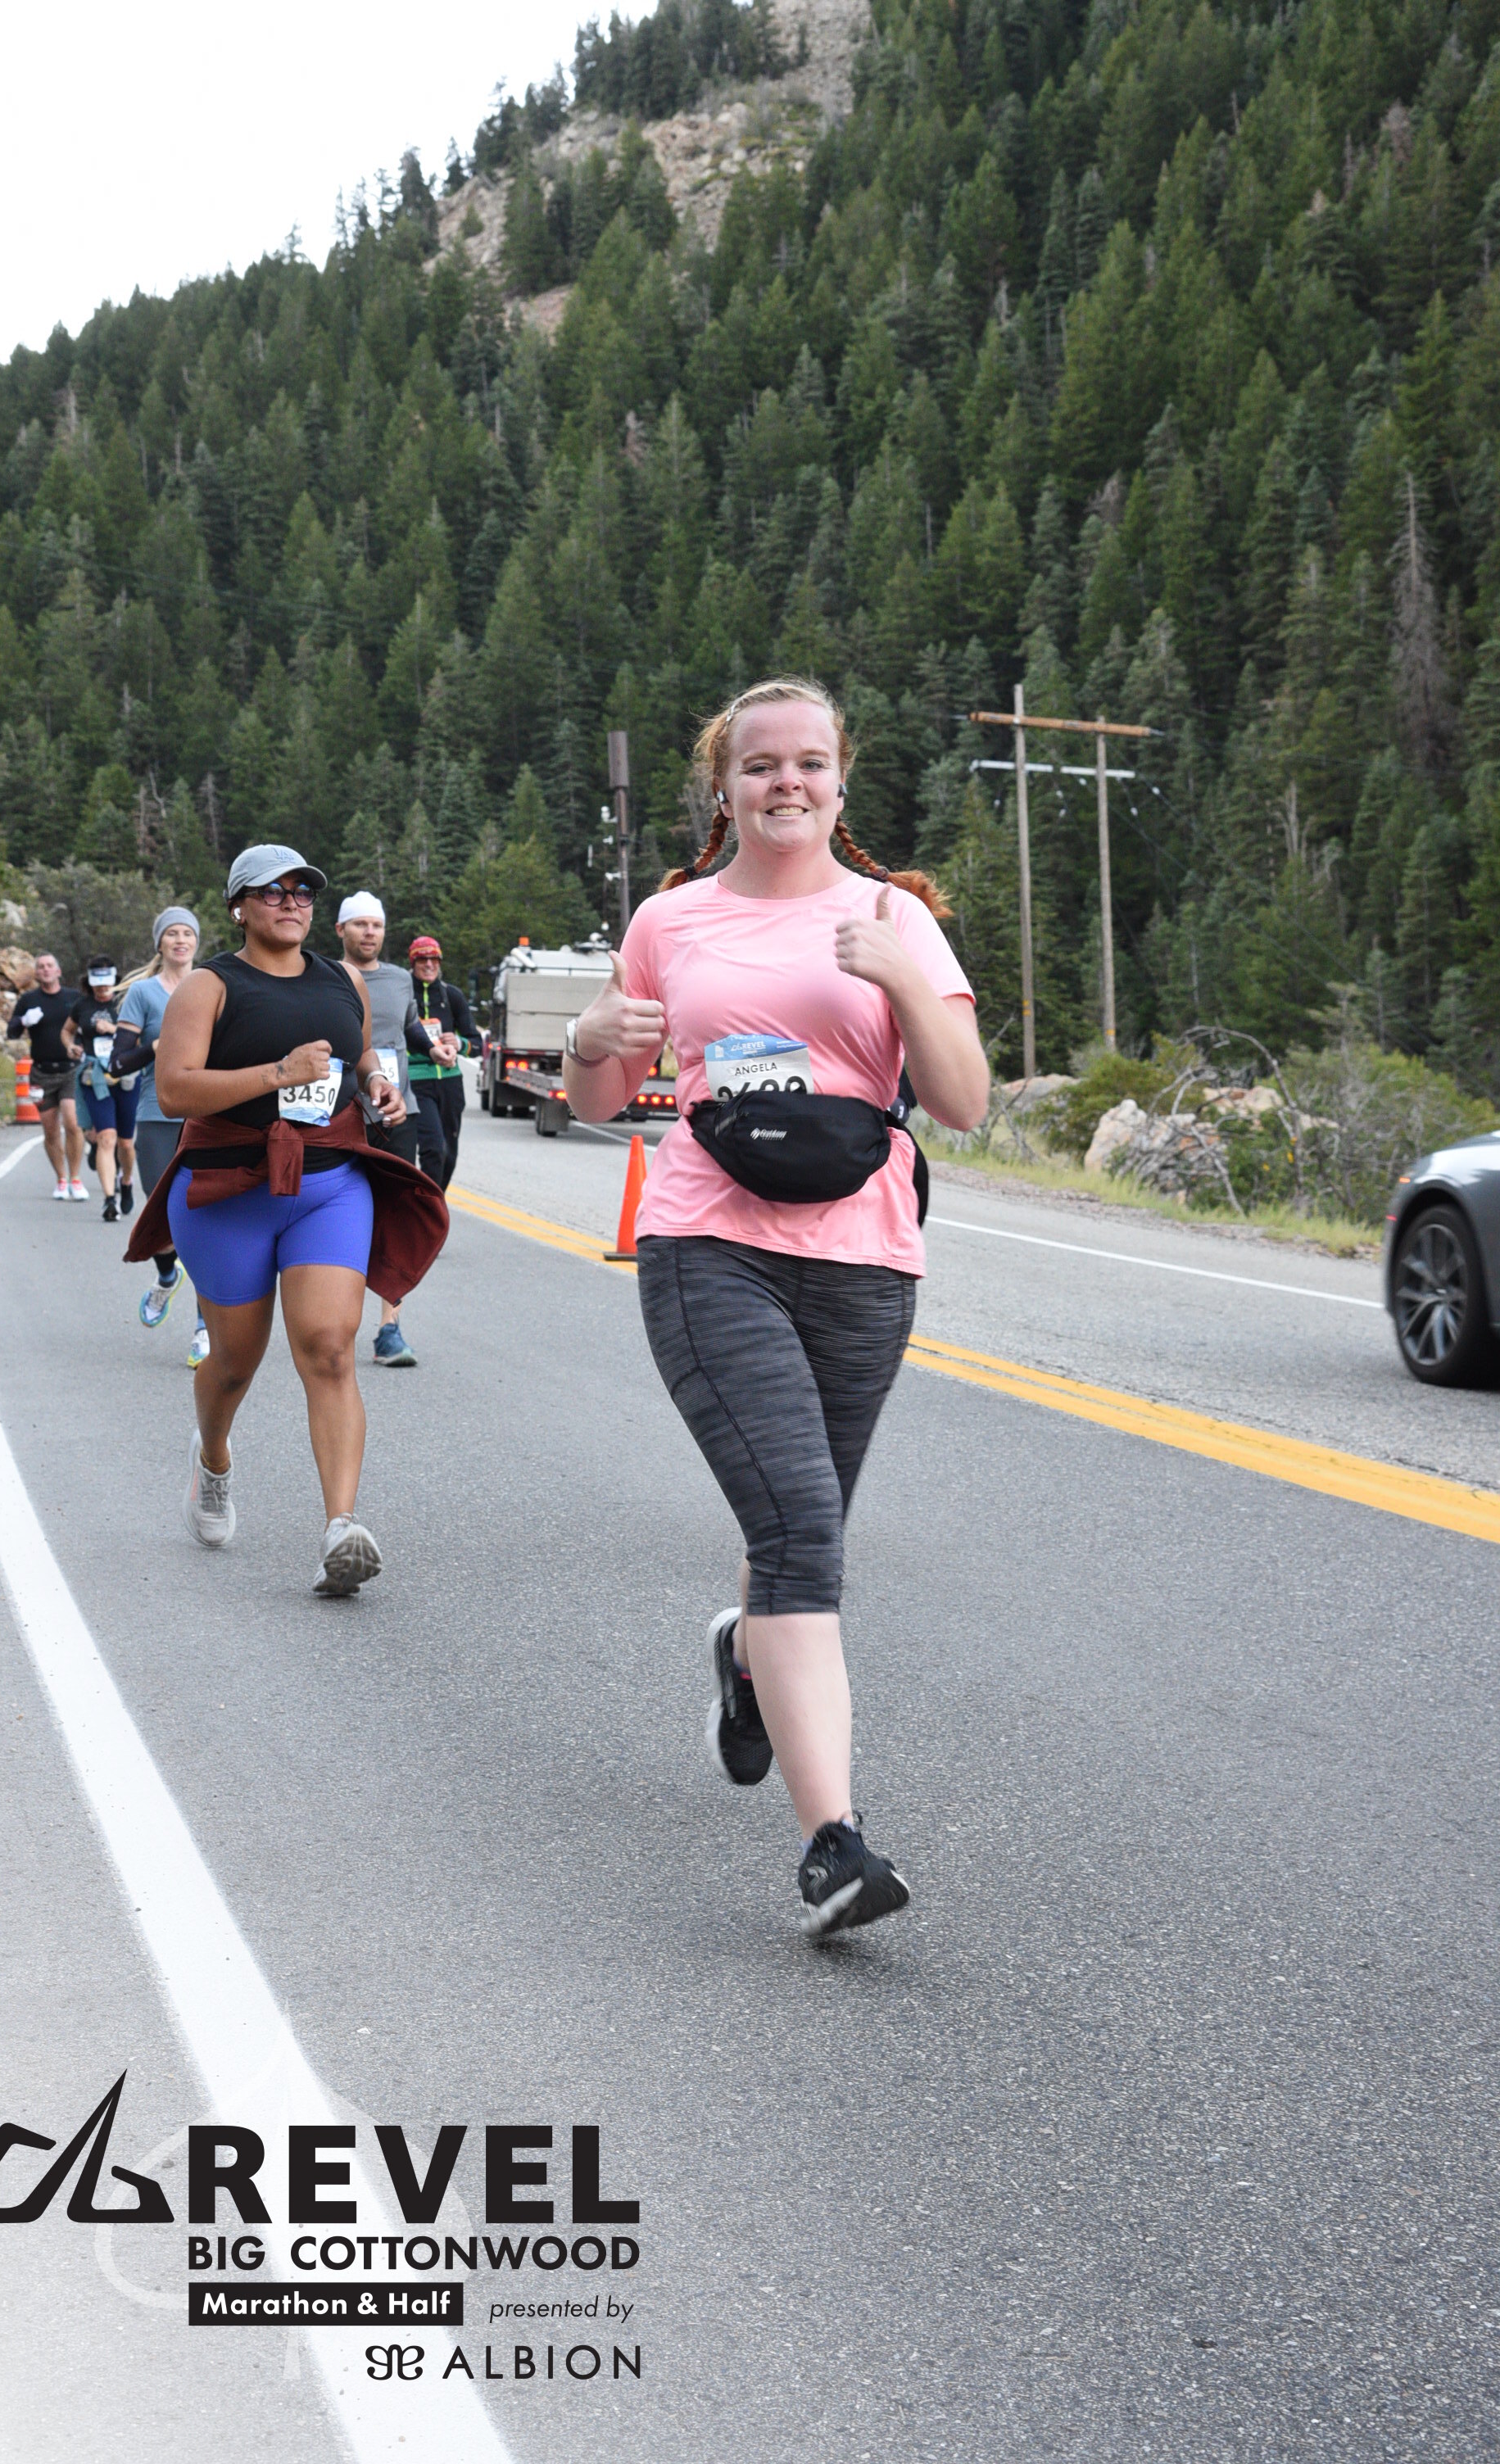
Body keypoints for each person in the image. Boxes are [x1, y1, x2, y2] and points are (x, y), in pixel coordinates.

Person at [564, 677, 989, 1939]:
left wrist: (900, 977)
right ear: (725, 785)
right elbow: (600, 1101)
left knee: (801, 1523)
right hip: (708, 1244)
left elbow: (963, 1102)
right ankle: (833, 1847)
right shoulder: (670, 921)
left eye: (809, 762)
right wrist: (589, 1038)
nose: (785, 782)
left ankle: (749, 1660)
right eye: (760, 765)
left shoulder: (894, 916)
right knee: (801, 1529)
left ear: (841, 782)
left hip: (864, 1256)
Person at [124, 845, 448, 1596]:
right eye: (273, 892)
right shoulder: (208, 986)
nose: (292, 902)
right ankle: (213, 1460)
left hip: (328, 1185)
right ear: (239, 906)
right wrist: (277, 1074)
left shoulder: (342, 980)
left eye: (303, 891)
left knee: (330, 1349)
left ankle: (341, 1528)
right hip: (227, 1190)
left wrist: (377, 1084)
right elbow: (174, 1090)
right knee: (235, 1362)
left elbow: (360, 1056)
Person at [336, 891, 453, 1366]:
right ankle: (336, 1320)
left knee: (396, 1212)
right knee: (345, 1215)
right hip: (345, 1111)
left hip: (398, 1110)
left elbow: (409, 1029)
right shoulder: (327, 976)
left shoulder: (401, 979)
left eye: (377, 925)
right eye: (360, 924)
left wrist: (433, 1049)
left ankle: (390, 1327)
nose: (370, 933)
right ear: (341, 930)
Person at [111, 907, 209, 1366]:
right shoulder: (143, 993)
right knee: (164, 1213)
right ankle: (168, 1275)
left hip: (206, 1114)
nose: (180, 940)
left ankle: (205, 1329)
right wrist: (157, 1045)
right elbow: (118, 1062)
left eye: (187, 933)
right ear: (160, 943)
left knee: (205, 1222)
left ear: (196, 942)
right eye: (172, 933)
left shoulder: (210, 985)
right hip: (156, 1112)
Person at [7, 953, 88, 1198]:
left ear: (58, 971)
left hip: (71, 1069)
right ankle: (61, 1179)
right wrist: (24, 1020)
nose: (45, 970)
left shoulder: (74, 998)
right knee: (50, 1129)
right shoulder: (28, 1000)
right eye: (40, 967)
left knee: (72, 1123)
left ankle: (76, 1178)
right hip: (42, 1072)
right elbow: (11, 1032)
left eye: (50, 965)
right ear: (36, 973)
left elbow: (88, 1025)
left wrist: (83, 1045)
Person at [406, 935, 478, 1188]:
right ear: (413, 963)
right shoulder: (404, 993)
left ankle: (435, 1202)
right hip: (416, 1081)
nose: (429, 965)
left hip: (450, 1082)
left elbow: (476, 1043)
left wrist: (459, 1043)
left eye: (435, 959)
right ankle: (427, 1206)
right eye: (423, 959)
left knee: (448, 1155)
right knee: (434, 1149)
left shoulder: (451, 996)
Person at [75, 958, 139, 1223]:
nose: (102, 988)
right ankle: (109, 1199)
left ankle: (126, 1180)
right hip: (95, 1076)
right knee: (106, 1138)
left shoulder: (127, 1002)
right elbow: (67, 1031)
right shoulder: (82, 1006)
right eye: (97, 984)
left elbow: (142, 1039)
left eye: (106, 983)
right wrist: (71, 1046)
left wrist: (113, 1029)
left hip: (125, 1076)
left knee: (125, 1143)